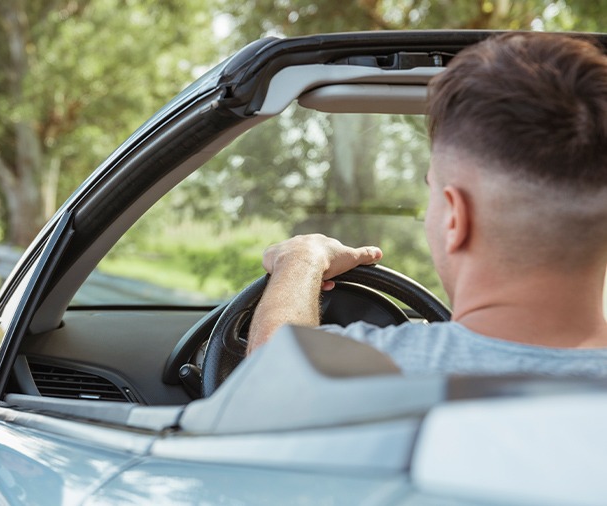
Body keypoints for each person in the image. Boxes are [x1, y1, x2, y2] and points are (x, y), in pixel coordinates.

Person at [248, 32, 607, 377]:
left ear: (455, 217)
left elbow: (262, 379)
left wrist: (299, 260)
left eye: (431, 190)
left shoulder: (372, 372)